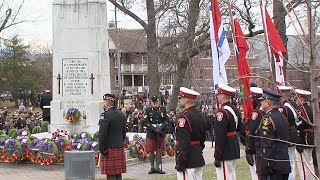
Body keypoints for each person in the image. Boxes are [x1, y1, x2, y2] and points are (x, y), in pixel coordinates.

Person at [257, 89, 291, 180]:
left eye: (262, 101)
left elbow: (267, 144)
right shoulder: (282, 117)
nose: (261, 103)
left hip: (273, 166)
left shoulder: (267, 119)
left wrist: (265, 165)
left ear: (268, 103)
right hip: (284, 162)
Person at [175, 87, 206, 180]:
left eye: (181, 98)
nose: (179, 100)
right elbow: (203, 137)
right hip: (197, 155)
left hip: (188, 160)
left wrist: (181, 161)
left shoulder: (184, 117)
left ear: (186, 100)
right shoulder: (200, 115)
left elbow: (184, 142)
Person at [214, 84, 242, 180]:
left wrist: (218, 155)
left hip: (225, 148)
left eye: (219, 94)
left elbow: (220, 135)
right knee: (231, 175)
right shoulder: (234, 109)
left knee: (225, 176)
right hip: (233, 145)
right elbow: (240, 128)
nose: (217, 96)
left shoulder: (222, 112)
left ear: (223, 96)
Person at [99, 93, 127, 180]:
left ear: (106, 104)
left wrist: (102, 149)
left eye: (104, 102)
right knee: (118, 174)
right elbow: (124, 132)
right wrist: (120, 142)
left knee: (110, 175)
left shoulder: (105, 115)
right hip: (119, 147)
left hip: (108, 149)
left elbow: (102, 134)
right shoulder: (121, 114)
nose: (103, 104)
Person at [277, 85, 300, 180]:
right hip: (293, 133)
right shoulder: (292, 105)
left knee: (289, 161)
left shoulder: (284, 108)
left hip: (288, 135)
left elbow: (282, 123)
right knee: (291, 161)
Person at [294, 89, 316, 180]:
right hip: (311, 137)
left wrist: (298, 141)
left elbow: (299, 126)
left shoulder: (302, 111)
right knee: (310, 163)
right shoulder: (311, 109)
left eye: (297, 98)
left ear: (301, 99)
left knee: (304, 165)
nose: (296, 100)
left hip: (304, 139)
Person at [144, 95, 168, 174]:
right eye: (153, 102)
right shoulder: (147, 110)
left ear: (159, 102)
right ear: (151, 103)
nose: (155, 104)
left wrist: (161, 127)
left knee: (159, 150)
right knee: (151, 150)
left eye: (157, 102)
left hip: (160, 133)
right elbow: (145, 122)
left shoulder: (163, 110)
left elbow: (166, 120)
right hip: (151, 133)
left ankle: (157, 167)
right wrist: (153, 128)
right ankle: (152, 167)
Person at [245, 87, 265, 180]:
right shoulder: (266, 112)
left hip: (257, 149)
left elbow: (252, 132)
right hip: (266, 147)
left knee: (257, 175)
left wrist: (249, 149)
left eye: (252, 98)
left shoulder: (257, 114)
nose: (251, 101)